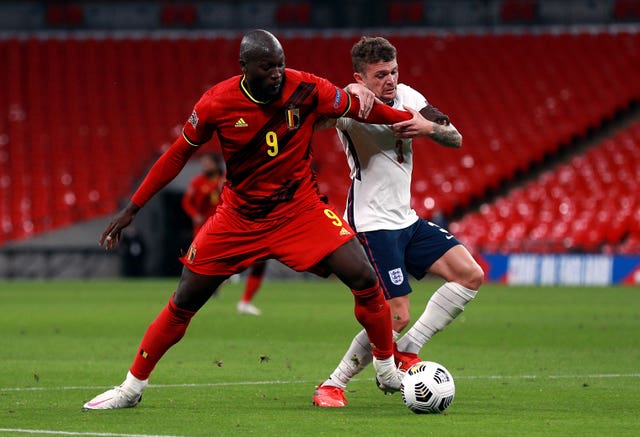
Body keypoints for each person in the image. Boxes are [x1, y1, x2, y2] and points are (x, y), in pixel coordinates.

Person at [83, 29, 415, 410]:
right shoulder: (216, 103)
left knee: (364, 277)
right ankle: (130, 388)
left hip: (299, 211)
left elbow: (365, 110)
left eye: (280, 64)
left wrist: (411, 120)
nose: (277, 73)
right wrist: (133, 208)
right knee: (184, 300)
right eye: (267, 67)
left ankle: (386, 368)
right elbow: (176, 155)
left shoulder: (307, 88)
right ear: (245, 68)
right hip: (238, 218)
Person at [311, 36, 484, 407]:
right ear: (361, 75)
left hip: (406, 219)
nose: (389, 80)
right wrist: (350, 91)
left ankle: (407, 350)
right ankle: (332, 384)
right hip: (371, 224)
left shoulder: (409, 97)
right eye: (379, 75)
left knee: (471, 275)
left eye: (393, 72)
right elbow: (318, 119)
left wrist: (429, 129)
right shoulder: (351, 106)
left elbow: (455, 137)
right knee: (396, 313)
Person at [181, 152, 264, 315]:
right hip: (204, 228)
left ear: (216, 164)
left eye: (207, 163)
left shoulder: (226, 178)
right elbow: (186, 201)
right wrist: (194, 215)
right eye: (203, 163)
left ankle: (236, 292)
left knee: (256, 260)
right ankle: (194, 291)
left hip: (226, 226)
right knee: (198, 263)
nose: (205, 166)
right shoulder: (197, 182)